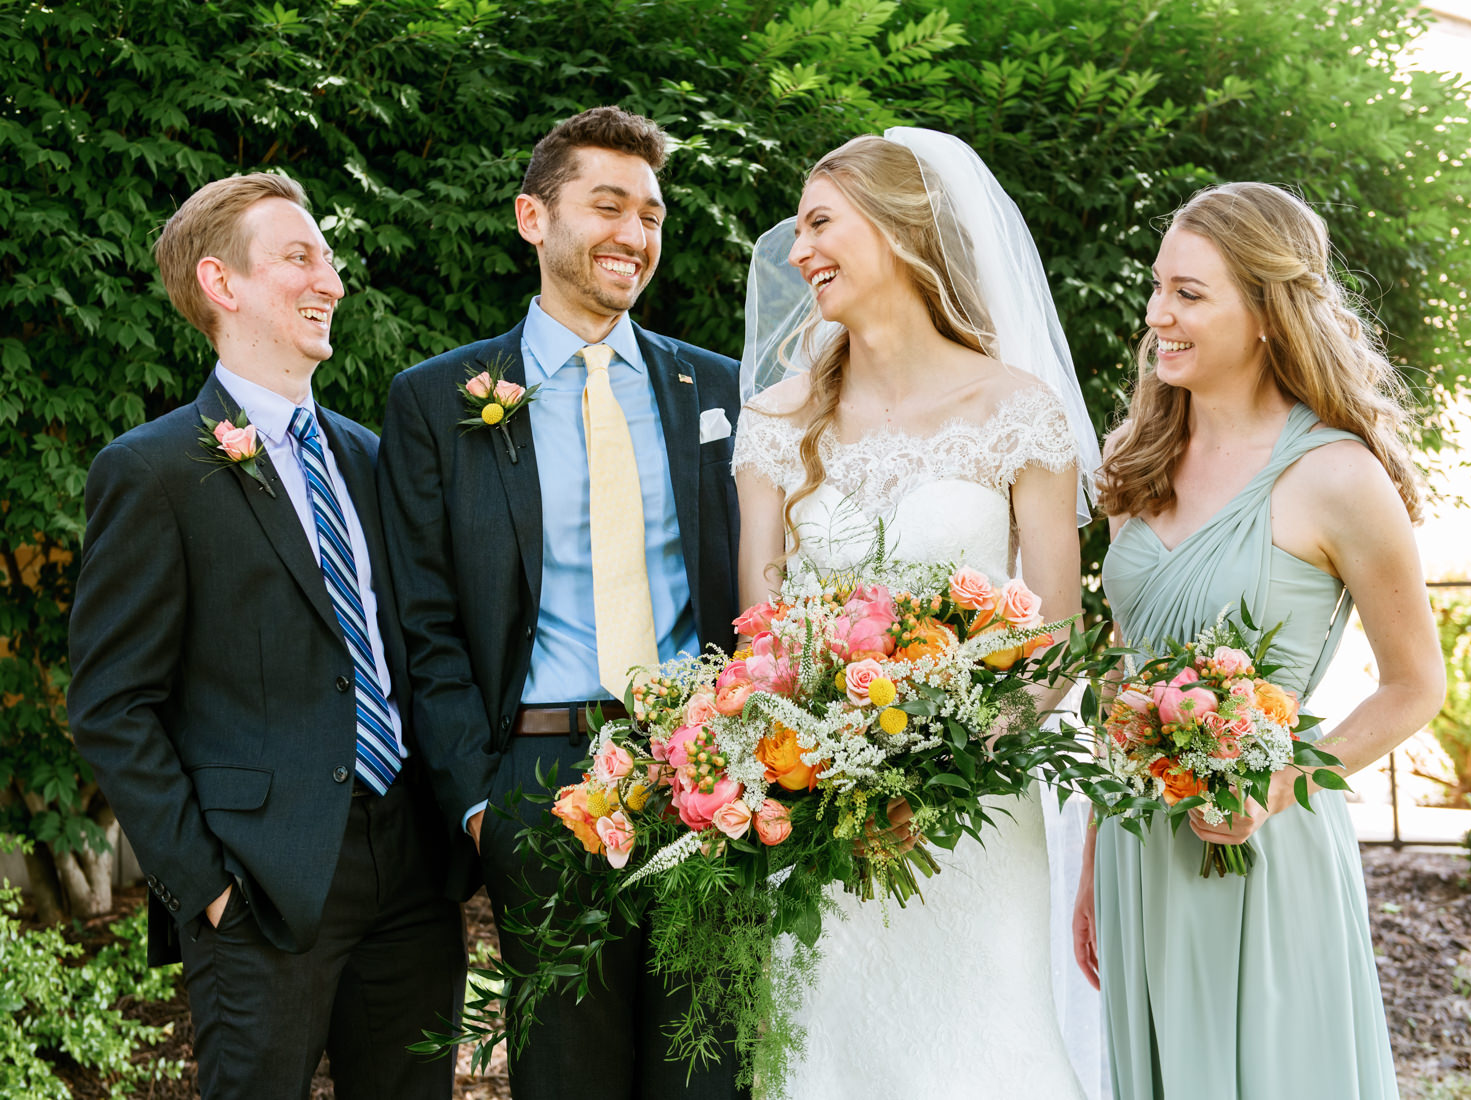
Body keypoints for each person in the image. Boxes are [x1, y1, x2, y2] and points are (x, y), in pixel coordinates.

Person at [66, 173, 466, 1100]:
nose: (330, 279)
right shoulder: (153, 471)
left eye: (327, 258)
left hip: (410, 871)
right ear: (221, 282)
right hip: (258, 886)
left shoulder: (373, 457)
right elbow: (110, 704)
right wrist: (203, 884)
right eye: (300, 257)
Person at [377, 106, 745, 1099]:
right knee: (567, 1078)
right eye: (608, 205)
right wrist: (483, 805)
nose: (635, 233)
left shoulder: (717, 388)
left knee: (706, 1071)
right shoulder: (438, 400)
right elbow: (424, 623)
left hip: (705, 768)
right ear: (532, 219)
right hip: (539, 777)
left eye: (653, 214)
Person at [733, 128, 1103, 1097]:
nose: (798, 249)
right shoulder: (776, 421)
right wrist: (840, 774)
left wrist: (935, 768)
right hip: (823, 822)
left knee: (984, 1055)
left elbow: (1054, 643)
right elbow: (761, 641)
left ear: (899, 229)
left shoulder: (1017, 409)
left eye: (820, 222)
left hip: (973, 817)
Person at [1072, 181, 1447, 1099]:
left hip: (1262, 840)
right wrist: (1090, 862)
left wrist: (1280, 782)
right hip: (1135, 842)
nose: (1158, 313)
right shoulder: (1138, 458)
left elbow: (1413, 685)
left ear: (1267, 314)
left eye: (1189, 294)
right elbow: (1124, 675)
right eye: (1158, 287)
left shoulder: (1337, 476)